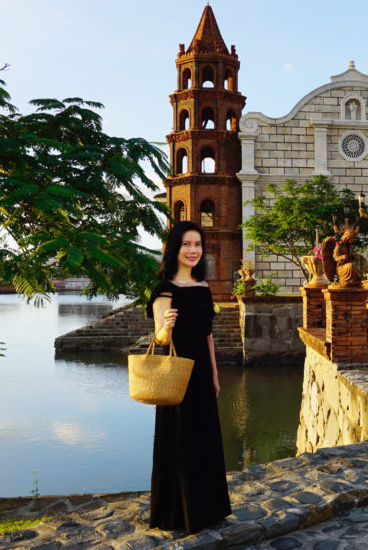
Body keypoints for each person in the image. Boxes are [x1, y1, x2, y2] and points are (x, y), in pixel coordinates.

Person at [146, 220, 231, 533]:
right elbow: (160, 338)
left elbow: (207, 335)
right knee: (181, 443)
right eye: (186, 244)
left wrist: (215, 373)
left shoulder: (203, 288)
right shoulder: (165, 290)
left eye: (197, 244)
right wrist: (166, 324)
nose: (193, 250)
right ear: (174, 249)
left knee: (205, 438)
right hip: (177, 373)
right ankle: (179, 513)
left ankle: (209, 509)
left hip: (202, 373)